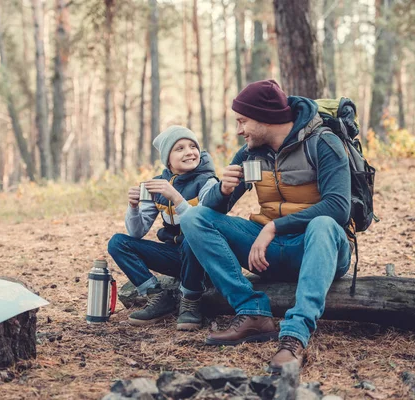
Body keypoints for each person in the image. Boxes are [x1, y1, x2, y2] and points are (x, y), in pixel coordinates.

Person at [180, 80, 352, 373]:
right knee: (192, 217)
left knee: (323, 224)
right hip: (269, 252)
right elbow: (210, 214)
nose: (238, 130)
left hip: (317, 248)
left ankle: (294, 336)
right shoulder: (250, 153)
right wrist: (222, 191)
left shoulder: (323, 143)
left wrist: (274, 227)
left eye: (242, 121)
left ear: (265, 117)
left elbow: (339, 207)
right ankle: (252, 311)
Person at [108, 125, 218, 331]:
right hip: (175, 254)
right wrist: (133, 207)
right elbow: (136, 232)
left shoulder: (208, 182)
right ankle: (158, 296)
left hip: (204, 256)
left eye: (193, 146)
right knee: (118, 243)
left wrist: (175, 197)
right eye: (180, 148)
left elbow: (204, 226)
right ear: (168, 159)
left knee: (191, 239)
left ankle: (190, 299)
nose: (189, 152)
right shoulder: (158, 184)